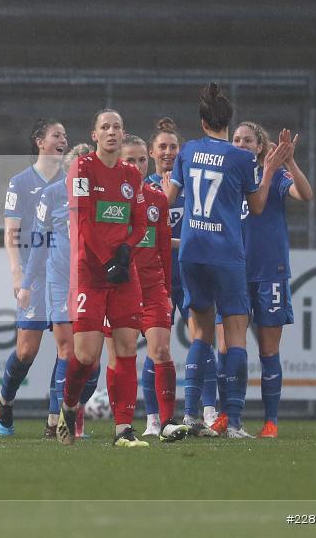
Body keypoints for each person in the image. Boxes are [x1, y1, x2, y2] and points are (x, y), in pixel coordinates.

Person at [164, 83, 290, 439]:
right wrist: (268, 172)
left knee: (199, 333)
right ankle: (233, 421)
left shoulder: (187, 151)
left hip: (191, 252)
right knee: (235, 334)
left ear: (203, 121)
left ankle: (190, 416)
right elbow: (259, 205)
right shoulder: (242, 158)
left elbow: (167, 199)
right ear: (225, 122)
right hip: (226, 254)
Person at [208, 122, 312, 437]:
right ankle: (227, 415)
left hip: (269, 271)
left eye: (247, 140)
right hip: (232, 271)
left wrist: (289, 161)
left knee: (268, 350)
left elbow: (305, 194)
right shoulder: (224, 177)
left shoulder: (275, 175)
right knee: (226, 346)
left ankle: (271, 421)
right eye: (236, 139)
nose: (240, 143)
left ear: (259, 145)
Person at [57, 109, 149, 448]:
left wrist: (125, 250)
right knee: (86, 356)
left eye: (117, 127)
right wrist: (109, 258)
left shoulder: (131, 175)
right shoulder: (81, 168)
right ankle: (68, 406)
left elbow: (139, 223)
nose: (112, 132)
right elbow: (83, 222)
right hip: (90, 273)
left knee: (125, 348)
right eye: (105, 127)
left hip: (123, 272)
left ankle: (123, 430)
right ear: (94, 135)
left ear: (123, 134)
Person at [0, 119, 67, 438]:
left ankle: (55, 420)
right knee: (26, 351)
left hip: (66, 276)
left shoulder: (72, 182)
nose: (63, 140)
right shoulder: (20, 182)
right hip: (35, 275)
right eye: (56, 135)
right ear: (40, 142)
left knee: (67, 350)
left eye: (65, 135)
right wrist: (17, 273)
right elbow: (10, 234)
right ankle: (5, 401)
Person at [146, 118, 219, 432]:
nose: (168, 152)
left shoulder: (195, 184)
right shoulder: (146, 187)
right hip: (158, 278)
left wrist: (181, 242)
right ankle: (152, 419)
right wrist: (178, 241)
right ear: (152, 152)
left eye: (173, 147)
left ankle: (208, 411)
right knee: (157, 348)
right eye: (162, 147)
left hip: (191, 274)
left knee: (202, 340)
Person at [120, 134, 189, 442]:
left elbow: (163, 247)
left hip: (152, 286)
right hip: (119, 288)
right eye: (129, 160)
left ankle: (167, 422)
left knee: (161, 350)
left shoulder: (158, 198)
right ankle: (121, 425)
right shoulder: (108, 198)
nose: (136, 165)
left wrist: (167, 288)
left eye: (141, 160)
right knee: (117, 358)